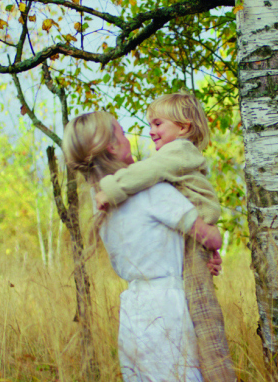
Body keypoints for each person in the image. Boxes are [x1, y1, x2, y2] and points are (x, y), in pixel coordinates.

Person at [62, 111, 222, 381]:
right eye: (123, 134)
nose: (130, 139)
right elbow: (212, 238)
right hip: (168, 307)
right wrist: (215, 238)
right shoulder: (153, 193)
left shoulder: (100, 202)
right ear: (112, 146)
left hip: (132, 311)